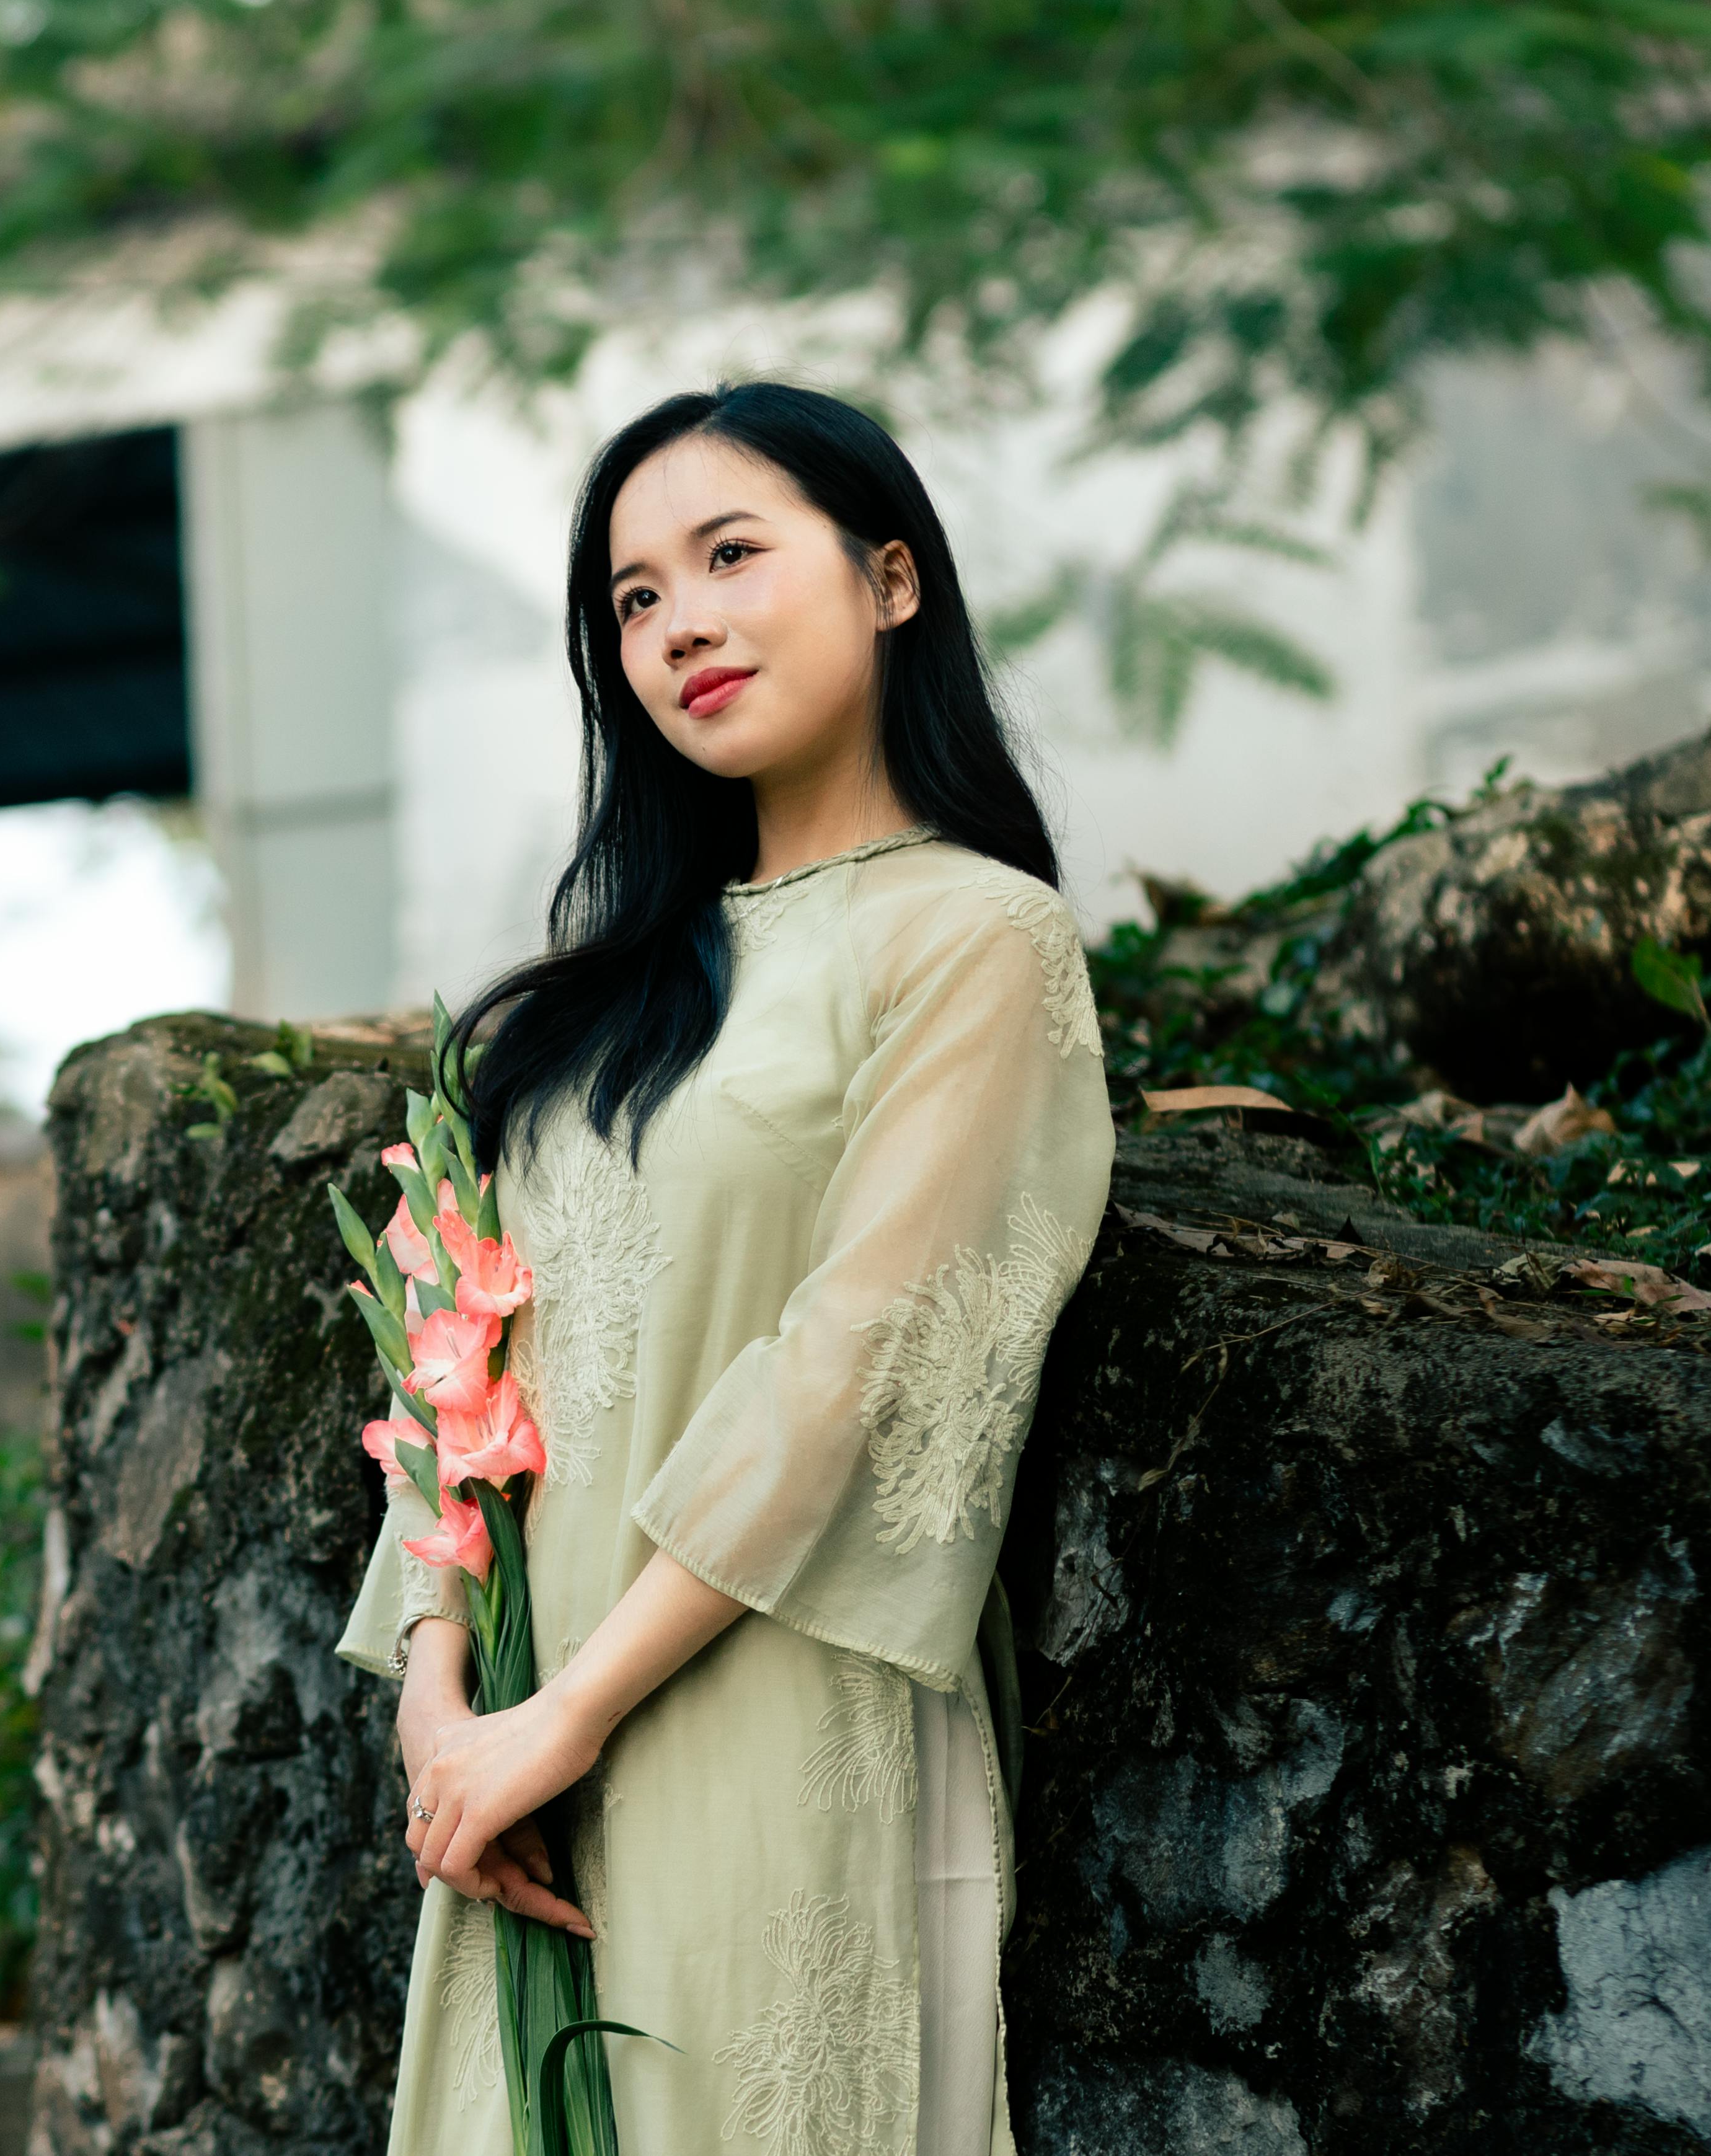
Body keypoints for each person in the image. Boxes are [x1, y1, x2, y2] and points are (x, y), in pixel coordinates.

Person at [334, 381, 1111, 2156]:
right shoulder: (589, 1012)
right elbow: (446, 1360)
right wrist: (449, 1714)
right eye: (633, 598)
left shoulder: (975, 938)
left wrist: (572, 1717)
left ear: (893, 578)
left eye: (730, 555)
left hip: (757, 1696)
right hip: (518, 1743)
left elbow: (862, 1361)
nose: (680, 621)